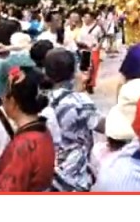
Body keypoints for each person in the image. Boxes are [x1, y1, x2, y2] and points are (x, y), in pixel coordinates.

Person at [42, 47, 100, 192]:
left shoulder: (40, 99)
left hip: (46, 172)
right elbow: (101, 125)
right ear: (74, 71)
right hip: (74, 175)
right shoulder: (80, 101)